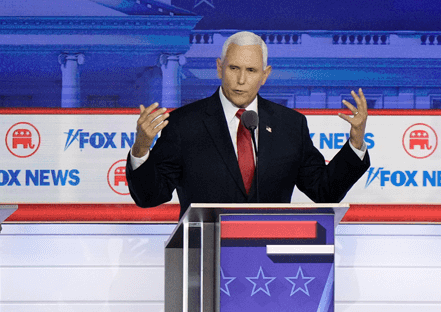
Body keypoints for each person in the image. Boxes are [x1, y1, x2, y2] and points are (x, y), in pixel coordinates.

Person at [126, 31, 370, 215]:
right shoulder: (184, 124)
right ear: (219, 68)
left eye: (251, 70)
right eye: (234, 68)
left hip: (269, 263)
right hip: (204, 257)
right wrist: (141, 149)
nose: (241, 80)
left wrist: (356, 141)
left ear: (265, 75)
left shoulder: (290, 125)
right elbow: (149, 197)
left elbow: (324, 191)